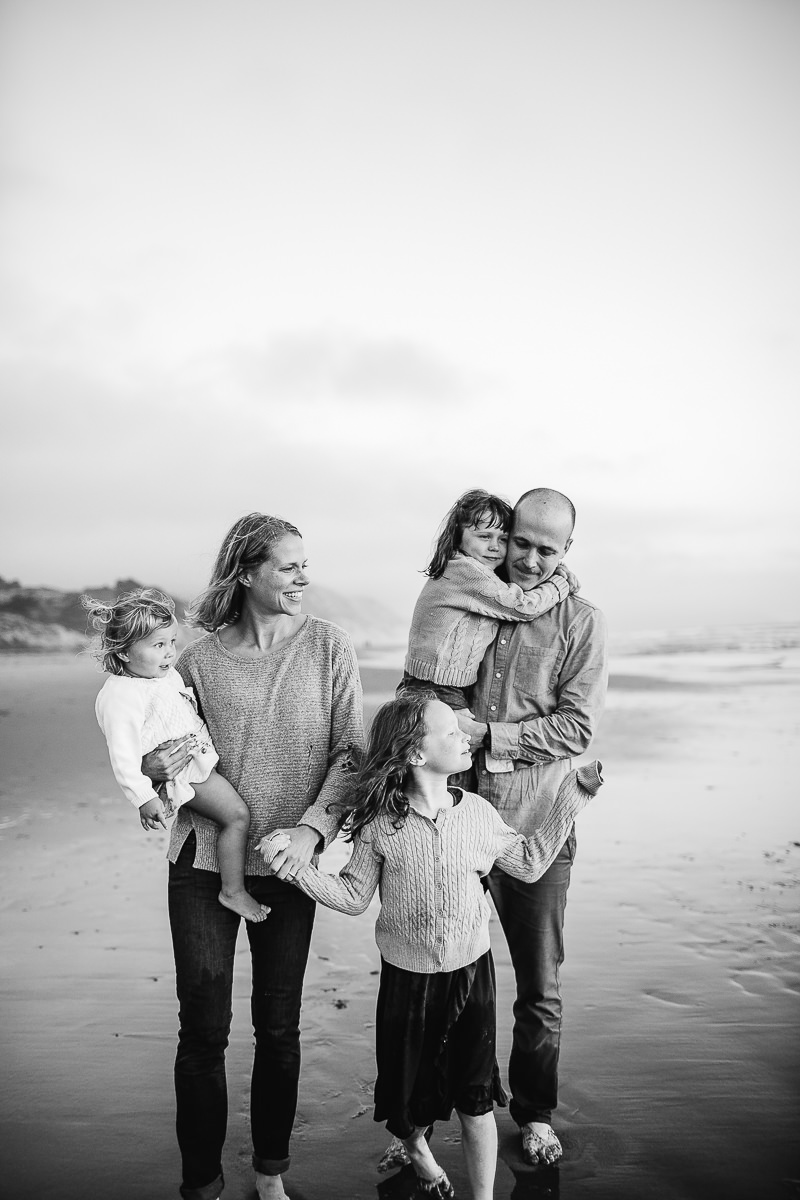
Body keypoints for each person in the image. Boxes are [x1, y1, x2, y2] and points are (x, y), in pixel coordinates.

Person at [259, 691, 603, 1200]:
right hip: (407, 980)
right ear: (416, 754)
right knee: (405, 1098)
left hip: (471, 976)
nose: (467, 735)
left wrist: (574, 795)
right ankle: (417, 1150)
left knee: (476, 1100)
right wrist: (296, 870)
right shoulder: (382, 827)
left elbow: (530, 862)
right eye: (451, 732)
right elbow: (354, 897)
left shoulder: (479, 816)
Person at [141, 513, 364, 1200]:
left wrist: (312, 832)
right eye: (288, 565)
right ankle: (201, 1184)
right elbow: (164, 758)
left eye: (306, 562)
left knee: (279, 1027)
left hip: (290, 869)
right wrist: (155, 767)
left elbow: (351, 754)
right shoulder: (197, 663)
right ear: (246, 572)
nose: (304, 575)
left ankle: (269, 1176)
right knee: (202, 1032)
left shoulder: (329, 647)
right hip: (203, 864)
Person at [457, 487, 608, 1169]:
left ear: (567, 550)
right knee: (455, 970)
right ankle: (464, 1100)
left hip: (537, 825)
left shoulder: (582, 621)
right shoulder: (474, 599)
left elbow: (578, 728)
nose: (529, 558)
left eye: (547, 549)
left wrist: (489, 736)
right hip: (456, 817)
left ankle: (535, 1112)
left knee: (538, 986)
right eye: (521, 542)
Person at [86, 587, 269, 923]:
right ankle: (233, 891)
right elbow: (123, 756)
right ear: (125, 651)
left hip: (195, 759)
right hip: (186, 772)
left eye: (172, 642)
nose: (170, 653)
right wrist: (143, 797)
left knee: (237, 813)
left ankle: (233, 887)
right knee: (237, 816)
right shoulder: (121, 695)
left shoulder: (160, 675)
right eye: (158, 646)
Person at [401, 488, 578, 709]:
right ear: (458, 535)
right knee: (458, 739)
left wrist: (556, 567)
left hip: (437, 681)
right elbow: (522, 606)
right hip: (436, 686)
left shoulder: (476, 571)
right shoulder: (467, 572)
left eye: (503, 539)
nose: (494, 547)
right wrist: (558, 584)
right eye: (484, 537)